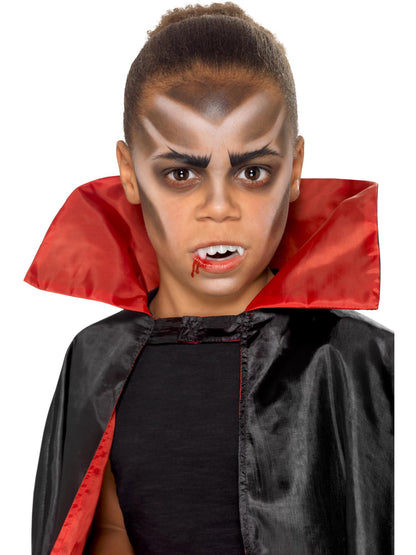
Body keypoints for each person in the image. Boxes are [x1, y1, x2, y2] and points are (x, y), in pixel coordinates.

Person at [27, 3, 393, 554]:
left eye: (252, 171)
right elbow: (103, 531)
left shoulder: (358, 359)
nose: (219, 207)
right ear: (130, 173)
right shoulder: (96, 362)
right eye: (181, 173)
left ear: (294, 169)